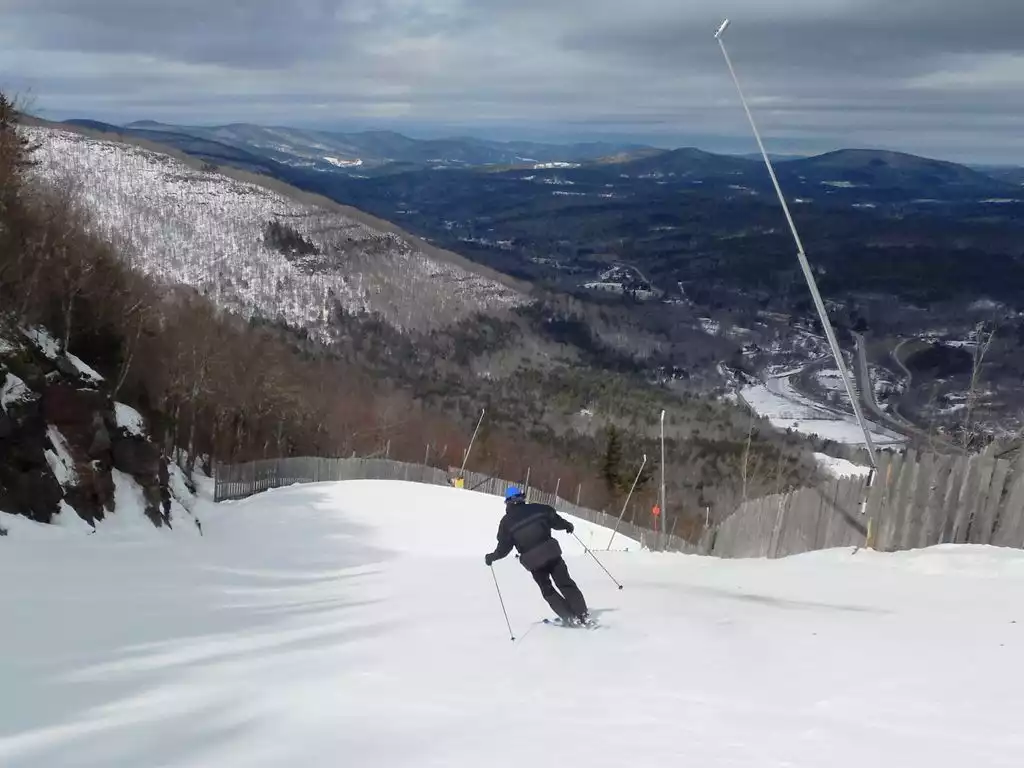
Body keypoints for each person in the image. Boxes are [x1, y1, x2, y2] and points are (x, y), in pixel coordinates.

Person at [485, 486, 590, 625]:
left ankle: (570, 617)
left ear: (508, 502)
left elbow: (504, 548)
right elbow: (556, 521)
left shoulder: (506, 523)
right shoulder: (540, 509)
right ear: (522, 498)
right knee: (565, 582)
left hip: (533, 561)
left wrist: (492, 557)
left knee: (547, 589)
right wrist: (568, 526)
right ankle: (582, 614)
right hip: (552, 553)